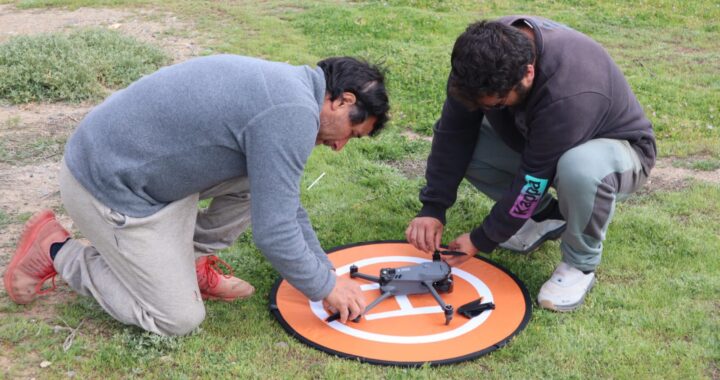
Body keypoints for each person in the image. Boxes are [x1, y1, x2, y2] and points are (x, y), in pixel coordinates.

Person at [4, 54, 389, 335]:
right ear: (344, 100)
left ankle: (188, 260)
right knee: (177, 318)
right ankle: (57, 250)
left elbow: (283, 205)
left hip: (141, 168)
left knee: (261, 184)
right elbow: (274, 233)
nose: (340, 147)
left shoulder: (292, 89)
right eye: (352, 134)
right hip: (108, 187)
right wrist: (326, 287)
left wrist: (325, 272)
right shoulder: (291, 114)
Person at [406, 16, 655, 311]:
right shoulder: (475, 61)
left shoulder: (569, 91)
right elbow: (454, 133)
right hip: (538, 141)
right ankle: (543, 219)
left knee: (579, 169)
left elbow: (532, 181)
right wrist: (433, 207)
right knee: (467, 148)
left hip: (618, 154)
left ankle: (580, 265)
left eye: (497, 104)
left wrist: (482, 238)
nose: (489, 110)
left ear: (528, 73)